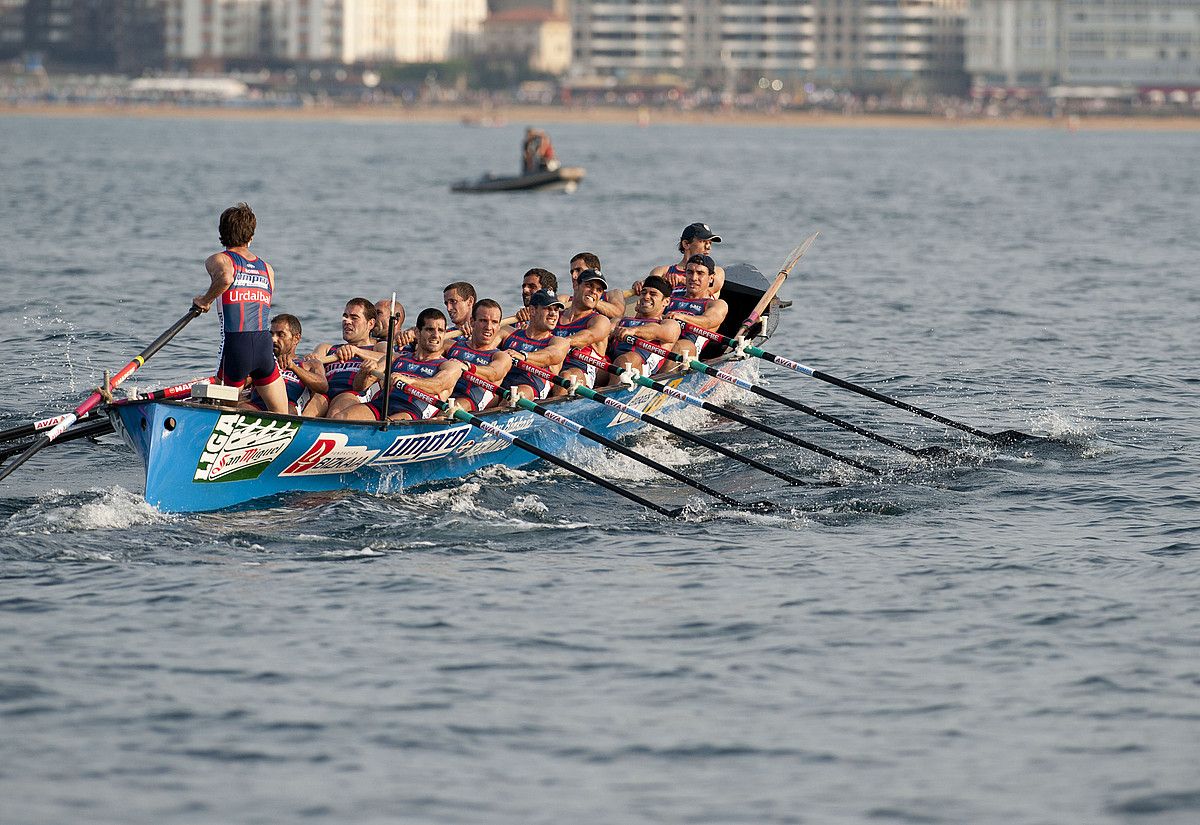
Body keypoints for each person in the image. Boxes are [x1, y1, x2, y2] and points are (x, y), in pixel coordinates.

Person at [192, 202, 288, 413]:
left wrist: (205, 300)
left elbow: (226, 278)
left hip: (236, 346)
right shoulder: (267, 269)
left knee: (222, 416)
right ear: (251, 236)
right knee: (283, 414)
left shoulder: (219, 259)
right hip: (264, 346)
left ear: (221, 233)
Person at [335, 308, 465, 422]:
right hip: (381, 404)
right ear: (418, 333)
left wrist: (409, 381)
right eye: (430, 329)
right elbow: (359, 387)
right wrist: (363, 373)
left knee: (388, 425)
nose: (436, 335)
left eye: (441, 330)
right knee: (340, 418)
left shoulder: (449, 366)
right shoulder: (395, 358)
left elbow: (439, 385)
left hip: (411, 411)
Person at [303, 298, 378, 418]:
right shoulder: (326, 348)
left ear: (370, 324)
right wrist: (310, 361)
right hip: (324, 393)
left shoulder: (378, 347)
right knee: (307, 413)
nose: (347, 321)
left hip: (353, 393)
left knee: (335, 413)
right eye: (345, 316)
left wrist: (356, 351)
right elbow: (312, 363)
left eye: (354, 318)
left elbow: (391, 358)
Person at [243, 314, 328, 414]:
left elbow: (323, 386)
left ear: (296, 338)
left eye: (281, 335)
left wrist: (293, 367)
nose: (273, 339)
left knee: (286, 410)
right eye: (271, 334)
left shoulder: (310, 364)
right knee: (242, 407)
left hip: (288, 406)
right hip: (257, 404)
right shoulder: (262, 361)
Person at [444, 299, 515, 412]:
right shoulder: (452, 346)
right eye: (483, 321)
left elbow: (494, 373)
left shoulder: (501, 356)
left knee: (451, 408)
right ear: (472, 322)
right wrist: (413, 334)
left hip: (468, 401)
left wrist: (467, 367)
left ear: (499, 326)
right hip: (443, 396)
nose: (488, 327)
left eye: (494, 322)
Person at [501, 289, 570, 401]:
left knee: (517, 394)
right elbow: (483, 345)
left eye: (556, 310)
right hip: (501, 385)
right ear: (532, 311)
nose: (553, 314)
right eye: (548, 308)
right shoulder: (508, 332)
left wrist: (524, 356)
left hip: (529, 389)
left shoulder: (558, 342)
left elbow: (551, 355)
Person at [552, 269, 612, 395]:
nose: (594, 292)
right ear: (576, 285)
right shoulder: (554, 317)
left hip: (579, 370)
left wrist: (563, 343)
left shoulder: (599, 320)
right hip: (549, 366)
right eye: (589, 285)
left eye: (599, 290)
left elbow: (590, 335)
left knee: (566, 377)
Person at [609, 275, 680, 374]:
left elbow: (659, 331)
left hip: (637, 367)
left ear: (666, 301)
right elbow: (605, 331)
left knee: (629, 358)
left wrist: (633, 331)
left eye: (653, 294)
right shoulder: (620, 320)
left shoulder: (669, 324)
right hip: (609, 365)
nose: (646, 297)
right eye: (643, 293)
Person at [664, 255, 729, 361]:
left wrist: (681, 317)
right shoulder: (670, 293)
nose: (693, 278)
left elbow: (708, 321)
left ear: (711, 278)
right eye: (689, 272)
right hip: (658, 339)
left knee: (679, 347)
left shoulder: (715, 304)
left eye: (700, 273)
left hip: (685, 348)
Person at [648, 222, 727, 296]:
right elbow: (648, 291)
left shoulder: (716, 272)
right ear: (686, 244)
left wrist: (682, 280)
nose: (708, 247)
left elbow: (706, 292)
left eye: (710, 243)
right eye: (703, 241)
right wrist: (639, 285)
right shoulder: (662, 271)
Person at [568, 252, 625, 320]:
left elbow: (618, 313)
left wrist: (589, 300)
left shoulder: (612, 294)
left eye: (578, 270)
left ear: (595, 271)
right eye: (572, 272)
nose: (574, 276)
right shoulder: (565, 299)